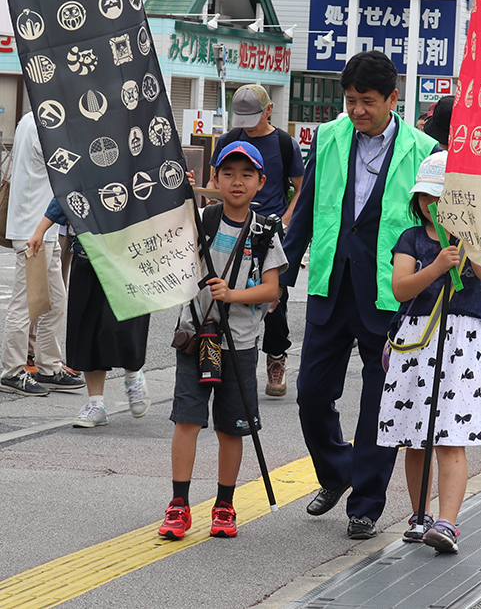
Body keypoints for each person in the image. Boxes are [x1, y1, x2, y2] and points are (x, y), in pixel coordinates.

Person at [280, 50, 438, 539]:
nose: (357, 111)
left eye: (368, 102)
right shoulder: (328, 138)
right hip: (331, 286)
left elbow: (435, 223)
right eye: (350, 101)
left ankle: (366, 504)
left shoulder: (424, 149)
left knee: (379, 404)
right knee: (310, 394)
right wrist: (278, 281)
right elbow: (304, 212)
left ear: (394, 98)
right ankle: (337, 471)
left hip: (390, 295)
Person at [159, 141, 287, 540]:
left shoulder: (266, 231)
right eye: (228, 173)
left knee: (232, 429)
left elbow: (272, 291)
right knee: (187, 420)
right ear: (216, 178)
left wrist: (232, 296)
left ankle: (224, 505)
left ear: (262, 182)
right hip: (197, 338)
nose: (237, 182)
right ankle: (179, 504)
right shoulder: (199, 220)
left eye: (247, 174)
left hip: (242, 344)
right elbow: (168, 244)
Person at [378, 152, 481, 553]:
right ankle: (419, 515)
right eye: (428, 196)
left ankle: (447, 522)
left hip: (462, 337)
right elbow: (400, 289)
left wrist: (467, 236)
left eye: (444, 197)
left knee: (451, 436)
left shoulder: (471, 235)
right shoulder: (410, 238)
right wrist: (438, 266)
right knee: (415, 435)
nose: (434, 205)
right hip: (417, 339)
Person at [209, 84, 304, 397]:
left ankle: (276, 357)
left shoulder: (284, 143)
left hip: (268, 232)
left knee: (274, 299)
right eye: (242, 117)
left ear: (268, 110)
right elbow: (214, 181)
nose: (247, 124)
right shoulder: (229, 139)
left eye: (253, 116)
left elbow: (300, 190)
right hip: (230, 229)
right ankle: (217, 355)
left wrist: (285, 222)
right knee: (222, 291)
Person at [28, 198, 151, 426]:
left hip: (131, 253)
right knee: (88, 330)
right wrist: (41, 229)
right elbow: (66, 192)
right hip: (88, 252)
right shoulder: (82, 162)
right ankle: (96, 404)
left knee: (125, 325)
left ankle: (133, 374)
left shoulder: (138, 160)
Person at [0, 112, 84, 396]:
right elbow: (68, 167)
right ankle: (11, 372)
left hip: (43, 228)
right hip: (32, 228)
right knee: (25, 305)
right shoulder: (46, 123)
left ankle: (48, 366)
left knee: (55, 302)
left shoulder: (31, 119)